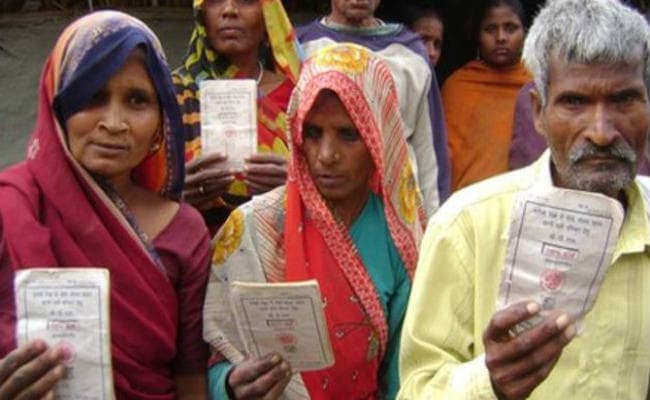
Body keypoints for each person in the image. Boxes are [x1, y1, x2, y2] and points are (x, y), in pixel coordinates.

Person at [399, 0, 650, 398]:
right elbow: (417, 389)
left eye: (624, 100)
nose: (601, 132)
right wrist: (488, 382)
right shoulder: (465, 227)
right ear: (537, 112)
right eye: (574, 102)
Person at [0, 11, 210, 399]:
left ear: (162, 119)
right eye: (93, 96)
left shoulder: (186, 232)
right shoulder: (11, 207)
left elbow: (190, 376)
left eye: (137, 100)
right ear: (58, 105)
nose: (114, 122)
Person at [202, 43, 425, 399]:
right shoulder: (251, 228)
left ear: (378, 137)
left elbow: (407, 369)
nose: (326, 155)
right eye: (312, 133)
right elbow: (212, 356)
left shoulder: (399, 239)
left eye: (348, 134)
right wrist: (229, 384)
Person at [297, 0, 451, 215]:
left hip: (397, 209)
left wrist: (434, 221)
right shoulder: (299, 48)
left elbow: (429, 153)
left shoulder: (411, 54)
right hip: (318, 209)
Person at [173, 0, 302, 230]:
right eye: (215, 1)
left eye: (246, 1)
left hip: (280, 238)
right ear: (201, 16)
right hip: (195, 239)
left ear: (268, 18)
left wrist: (297, 183)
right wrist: (174, 193)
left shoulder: (300, 94)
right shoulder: (172, 91)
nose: (229, 10)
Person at [442, 0, 531, 191]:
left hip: (523, 200)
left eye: (510, 28)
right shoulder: (458, 87)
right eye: (490, 29)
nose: (501, 37)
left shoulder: (537, 85)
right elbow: (443, 158)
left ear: (525, 33)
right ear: (477, 35)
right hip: (466, 200)